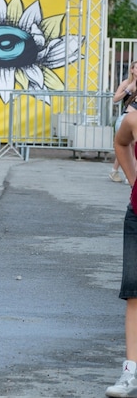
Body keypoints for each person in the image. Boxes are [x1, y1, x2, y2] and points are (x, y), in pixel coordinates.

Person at [108, 109, 137, 397]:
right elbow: (121, 143)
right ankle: (131, 372)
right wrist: (133, 180)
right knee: (134, 294)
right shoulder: (133, 119)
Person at [111, 61, 137, 183]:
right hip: (125, 117)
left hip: (134, 118)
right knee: (127, 145)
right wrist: (128, 90)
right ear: (132, 70)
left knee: (127, 147)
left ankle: (115, 171)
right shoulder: (126, 83)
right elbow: (115, 99)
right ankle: (131, 176)